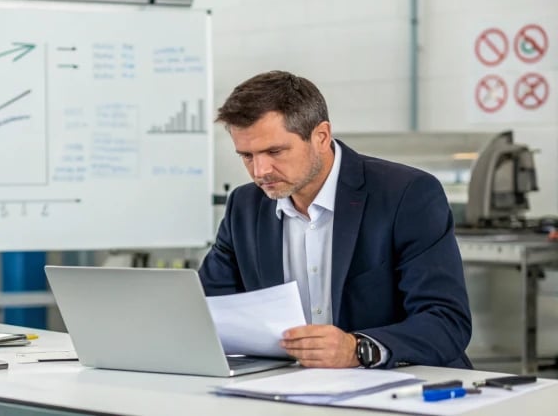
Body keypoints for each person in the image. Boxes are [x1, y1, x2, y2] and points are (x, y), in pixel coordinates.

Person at [199, 71, 472, 369]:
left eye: (275, 151)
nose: (260, 170)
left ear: (321, 136)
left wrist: (357, 349)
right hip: (289, 387)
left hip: (403, 385)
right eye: (247, 156)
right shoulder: (245, 206)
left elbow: (446, 321)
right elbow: (206, 310)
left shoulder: (405, 194)